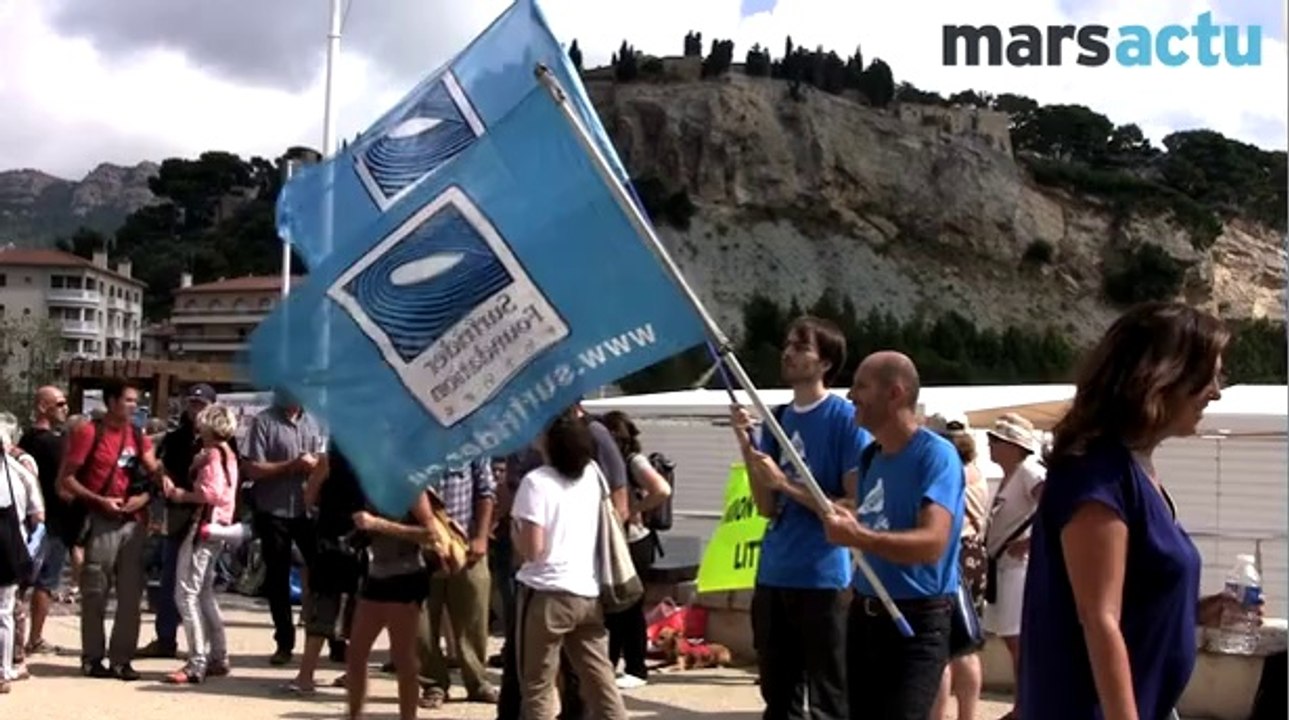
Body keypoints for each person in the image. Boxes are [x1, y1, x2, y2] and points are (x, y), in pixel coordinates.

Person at [1019, 302, 1245, 720]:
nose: (1216, 392)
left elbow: (1131, 604)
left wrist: (1195, 611)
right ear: (1163, 377)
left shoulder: (1132, 471)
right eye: (1208, 377)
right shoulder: (1097, 475)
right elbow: (1098, 620)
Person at [729, 316, 867, 720]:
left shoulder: (845, 420)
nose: (788, 353)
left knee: (829, 697)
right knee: (778, 695)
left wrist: (787, 485)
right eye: (787, 344)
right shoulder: (778, 418)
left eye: (801, 347)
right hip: (774, 573)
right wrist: (747, 448)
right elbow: (766, 506)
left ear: (825, 362)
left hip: (822, 576)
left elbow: (853, 507)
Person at [822, 351, 965, 720]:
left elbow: (932, 543)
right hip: (865, 616)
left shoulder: (937, 456)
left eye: (861, 386)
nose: (850, 395)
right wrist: (849, 516)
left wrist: (859, 536)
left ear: (895, 393)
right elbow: (879, 517)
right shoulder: (870, 457)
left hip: (916, 622)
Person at [511, 408, 627, 720]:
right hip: (587, 590)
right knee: (601, 681)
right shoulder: (592, 474)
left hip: (545, 591)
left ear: (549, 440)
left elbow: (533, 550)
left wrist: (515, 532)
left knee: (537, 685)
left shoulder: (535, 482)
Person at [57, 378, 171, 681]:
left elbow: (154, 473)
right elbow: (67, 479)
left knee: (131, 596)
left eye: (136, 400)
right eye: (129, 400)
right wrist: (99, 500)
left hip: (133, 522)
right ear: (111, 401)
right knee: (95, 591)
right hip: (101, 520)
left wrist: (147, 495)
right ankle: (92, 658)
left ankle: (122, 659)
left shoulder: (138, 435)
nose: (135, 405)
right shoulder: (88, 432)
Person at [329, 446, 440, 720]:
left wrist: (378, 525)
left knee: (404, 659)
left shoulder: (410, 487)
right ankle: (353, 715)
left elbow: (430, 533)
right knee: (356, 653)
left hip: (405, 578)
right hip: (376, 575)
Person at [243, 390, 325, 665]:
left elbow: (324, 462)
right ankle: (284, 643)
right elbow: (252, 469)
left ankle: (329, 637)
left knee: (324, 575)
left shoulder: (314, 421)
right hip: (273, 511)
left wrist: (315, 467)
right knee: (277, 579)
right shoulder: (264, 422)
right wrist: (292, 465)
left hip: (307, 511)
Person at [161, 403, 241, 684]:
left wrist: (181, 494)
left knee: (186, 594)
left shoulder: (213, 455)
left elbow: (211, 492)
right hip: (219, 526)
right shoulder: (228, 453)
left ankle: (197, 662)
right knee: (204, 592)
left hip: (202, 526)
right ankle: (218, 655)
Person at [139, 383, 217, 660]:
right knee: (170, 577)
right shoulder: (175, 437)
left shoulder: (222, 440)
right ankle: (165, 638)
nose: (196, 409)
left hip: (208, 516)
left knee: (201, 586)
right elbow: (162, 467)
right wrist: (165, 479)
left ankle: (208, 649)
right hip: (178, 513)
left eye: (201, 404)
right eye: (192, 403)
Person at [417, 457, 497, 709]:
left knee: (473, 617)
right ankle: (434, 684)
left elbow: (486, 491)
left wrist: (481, 537)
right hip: (421, 550)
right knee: (421, 625)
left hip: (465, 547)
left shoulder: (472, 443)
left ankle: (477, 682)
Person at [600, 410, 672, 690]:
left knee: (629, 608)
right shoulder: (614, 462)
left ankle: (635, 668)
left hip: (634, 543)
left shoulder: (632, 461)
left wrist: (633, 511)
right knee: (616, 610)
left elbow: (661, 490)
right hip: (622, 542)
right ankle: (612, 664)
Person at [983, 412, 1045, 719]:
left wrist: (1030, 543)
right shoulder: (1012, 476)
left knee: (1018, 640)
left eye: (996, 440)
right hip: (1003, 567)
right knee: (1013, 640)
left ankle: (1026, 706)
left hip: (1019, 569)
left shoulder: (1029, 472)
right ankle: (1024, 703)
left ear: (1013, 446)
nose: (990, 445)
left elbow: (1053, 508)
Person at [927, 412, 987, 720]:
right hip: (975, 554)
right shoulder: (976, 471)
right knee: (968, 643)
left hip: (950, 555)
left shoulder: (945, 471)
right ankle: (968, 715)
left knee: (941, 648)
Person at [17, 386, 69, 657]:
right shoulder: (52, 444)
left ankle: (17, 638)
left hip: (26, 519)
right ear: (42, 407)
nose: (65, 408)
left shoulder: (25, 440)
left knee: (20, 582)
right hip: (50, 521)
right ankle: (33, 638)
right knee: (45, 582)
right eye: (59, 404)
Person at [1, 412, 45, 692]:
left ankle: (9, 665)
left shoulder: (21, 469)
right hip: (13, 546)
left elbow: (37, 516)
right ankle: (6, 667)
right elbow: (38, 515)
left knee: (8, 608)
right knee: (6, 609)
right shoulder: (20, 471)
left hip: (10, 546)